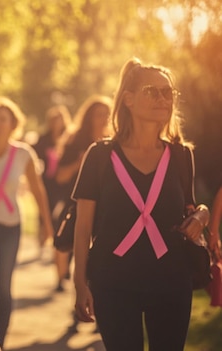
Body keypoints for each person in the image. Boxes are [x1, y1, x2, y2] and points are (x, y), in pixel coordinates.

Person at [73, 58, 212, 351]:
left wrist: (204, 214)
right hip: (112, 281)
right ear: (128, 100)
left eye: (168, 92)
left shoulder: (181, 155)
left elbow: (189, 205)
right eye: (153, 91)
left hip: (172, 279)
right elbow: (83, 226)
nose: (163, 99)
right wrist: (79, 283)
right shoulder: (99, 156)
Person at [0, 96, 54, 348]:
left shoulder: (23, 153)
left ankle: (0, 339)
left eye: (4, 119)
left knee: (4, 285)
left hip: (11, 227)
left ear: (13, 123)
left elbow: (37, 190)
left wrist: (46, 224)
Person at [53, 95, 112, 294]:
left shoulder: (116, 144)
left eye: (107, 114)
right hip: (76, 205)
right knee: (69, 249)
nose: (104, 119)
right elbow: (60, 177)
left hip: (107, 209)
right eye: (99, 114)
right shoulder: (76, 141)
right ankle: (63, 281)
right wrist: (80, 163)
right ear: (89, 117)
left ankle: (99, 304)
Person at [33, 105, 72, 256]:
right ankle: (42, 241)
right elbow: (34, 158)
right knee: (45, 212)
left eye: (60, 119)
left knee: (61, 214)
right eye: (54, 119)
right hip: (47, 182)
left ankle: (58, 243)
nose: (57, 122)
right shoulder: (44, 139)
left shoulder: (69, 138)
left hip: (63, 183)